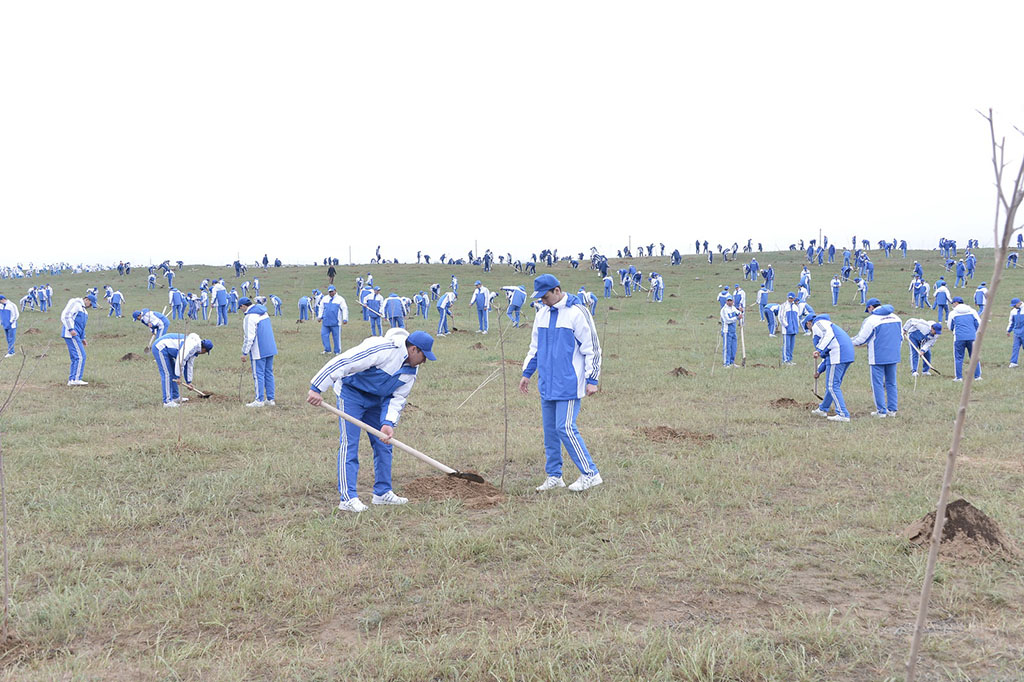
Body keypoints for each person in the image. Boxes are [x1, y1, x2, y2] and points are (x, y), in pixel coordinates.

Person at [306, 329, 438, 512]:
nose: (424, 362)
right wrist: (316, 387)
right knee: (349, 443)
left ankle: (382, 493)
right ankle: (347, 498)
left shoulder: (411, 372)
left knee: (384, 444)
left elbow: (397, 399)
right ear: (414, 349)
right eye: (424, 356)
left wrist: (388, 423)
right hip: (351, 395)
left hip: (377, 401)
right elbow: (344, 361)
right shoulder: (382, 349)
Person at [520, 275, 602, 492]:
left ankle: (590, 473)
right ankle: (554, 476)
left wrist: (592, 379)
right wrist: (527, 373)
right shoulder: (542, 313)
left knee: (565, 427)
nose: (543, 301)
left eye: (545, 297)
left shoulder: (577, 312)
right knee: (550, 432)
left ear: (557, 290)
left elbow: (592, 348)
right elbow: (535, 347)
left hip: (569, 383)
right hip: (547, 383)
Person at [851, 298, 903, 417]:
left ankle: (881, 411)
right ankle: (892, 410)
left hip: (877, 356)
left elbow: (861, 339)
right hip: (893, 355)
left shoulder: (871, 320)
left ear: (870, 307)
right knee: (891, 383)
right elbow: (901, 337)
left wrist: (848, 342)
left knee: (877, 384)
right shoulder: (897, 317)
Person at [806, 313, 855, 422]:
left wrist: (818, 349)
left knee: (832, 386)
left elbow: (828, 335)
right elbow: (827, 353)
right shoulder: (830, 324)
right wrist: (819, 370)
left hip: (838, 355)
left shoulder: (818, 324)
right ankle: (823, 408)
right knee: (832, 384)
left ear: (809, 323)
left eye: (807, 326)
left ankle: (843, 414)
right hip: (846, 354)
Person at [238, 297, 277, 407]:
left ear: (243, 306)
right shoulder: (263, 311)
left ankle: (259, 400)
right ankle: (270, 399)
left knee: (258, 374)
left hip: (258, 349)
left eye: (240, 308)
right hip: (270, 347)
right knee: (269, 373)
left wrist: (244, 352)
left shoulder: (249, 317)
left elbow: (249, 337)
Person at [60, 295, 93, 386]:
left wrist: (83, 338)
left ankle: (72, 379)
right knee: (80, 356)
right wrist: (71, 329)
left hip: (77, 335)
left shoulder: (84, 311)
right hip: (71, 335)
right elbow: (66, 316)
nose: (90, 306)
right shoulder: (75, 303)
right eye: (90, 303)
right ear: (86, 299)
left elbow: (81, 326)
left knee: (76, 357)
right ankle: (76, 379)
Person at [948, 297, 982, 381]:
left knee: (958, 358)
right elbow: (978, 323)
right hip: (972, 337)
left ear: (956, 303)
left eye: (953, 303)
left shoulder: (953, 313)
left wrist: (955, 331)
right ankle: (977, 376)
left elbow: (950, 326)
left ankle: (959, 377)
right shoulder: (972, 311)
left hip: (959, 338)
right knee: (974, 357)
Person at [317, 285, 349, 353]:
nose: (331, 293)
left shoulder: (340, 299)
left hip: (336, 322)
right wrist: (319, 316)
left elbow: (344, 309)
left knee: (336, 337)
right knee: (324, 335)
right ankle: (327, 350)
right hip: (326, 322)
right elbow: (321, 308)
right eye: (330, 292)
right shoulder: (325, 298)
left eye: (332, 291)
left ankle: (337, 351)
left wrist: (345, 318)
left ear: (335, 291)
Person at [778, 292, 804, 365]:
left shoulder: (796, 307)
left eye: (792, 298)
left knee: (792, 345)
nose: (790, 299)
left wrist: (797, 326)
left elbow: (797, 317)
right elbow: (780, 317)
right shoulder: (783, 306)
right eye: (789, 298)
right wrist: (786, 325)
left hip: (794, 328)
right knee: (786, 345)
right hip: (787, 329)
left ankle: (790, 359)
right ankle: (785, 360)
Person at [720, 296, 741, 367]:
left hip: (733, 331)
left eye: (731, 301)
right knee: (727, 347)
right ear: (726, 301)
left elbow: (738, 313)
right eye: (728, 301)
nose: (729, 302)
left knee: (733, 347)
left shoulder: (733, 308)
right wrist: (737, 318)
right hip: (726, 331)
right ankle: (726, 363)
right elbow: (727, 320)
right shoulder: (724, 310)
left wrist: (740, 312)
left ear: (733, 301)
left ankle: (732, 362)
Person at [1008, 297, 1024, 367]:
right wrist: (1008, 330)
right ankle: (1013, 362)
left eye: (1015, 305)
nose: (1014, 306)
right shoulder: (1013, 311)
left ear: (1019, 303)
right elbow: (1011, 322)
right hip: (1016, 332)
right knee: (1015, 347)